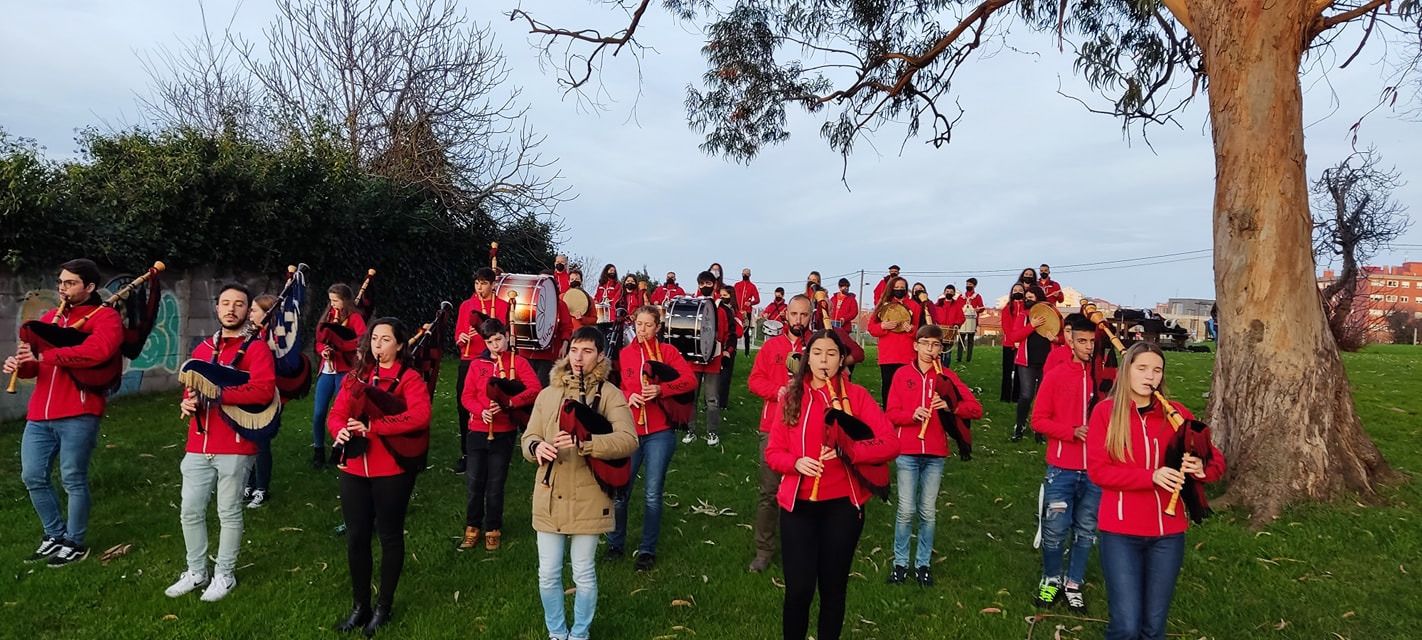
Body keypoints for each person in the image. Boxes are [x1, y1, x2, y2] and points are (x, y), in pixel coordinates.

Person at [766, 329, 899, 640]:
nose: (823, 360)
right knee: (798, 590)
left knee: (833, 587)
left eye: (830, 354)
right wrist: (795, 463)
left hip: (843, 505)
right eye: (817, 353)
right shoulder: (792, 397)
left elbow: (891, 443)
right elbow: (773, 452)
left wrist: (850, 451)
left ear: (842, 360)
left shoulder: (858, 397)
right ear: (807, 358)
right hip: (799, 504)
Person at [1087, 342, 1225, 640]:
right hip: (1121, 533)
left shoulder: (1176, 413)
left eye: (1157, 370)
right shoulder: (1105, 413)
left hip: (1168, 535)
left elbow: (1214, 458)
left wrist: (1201, 468)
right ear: (1127, 371)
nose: (1150, 376)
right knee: (1125, 626)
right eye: (1142, 369)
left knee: (1153, 628)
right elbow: (1098, 471)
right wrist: (1151, 476)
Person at [5, 258, 123, 567]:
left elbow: (97, 352)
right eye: (60, 282)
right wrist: (22, 365)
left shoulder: (105, 317)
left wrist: (46, 355)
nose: (62, 288)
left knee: (73, 478)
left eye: (70, 283)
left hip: (79, 411)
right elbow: (37, 366)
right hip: (40, 414)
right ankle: (53, 534)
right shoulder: (49, 318)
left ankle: (75, 541)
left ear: (90, 287)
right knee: (32, 475)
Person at [523, 327, 639, 640]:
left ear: (600, 355)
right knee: (547, 574)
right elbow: (529, 437)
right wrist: (538, 448)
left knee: (583, 572)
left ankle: (580, 633)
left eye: (587, 351)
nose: (579, 357)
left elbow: (629, 440)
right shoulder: (548, 394)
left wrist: (585, 443)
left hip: (590, 495)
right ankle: (557, 632)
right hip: (549, 494)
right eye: (575, 349)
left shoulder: (610, 394)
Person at [167, 283, 276, 602]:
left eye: (239, 304)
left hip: (236, 444)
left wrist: (219, 394)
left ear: (247, 310)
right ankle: (196, 570)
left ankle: (224, 575)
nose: (231, 309)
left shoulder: (256, 349)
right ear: (217, 308)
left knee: (228, 512)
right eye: (225, 303)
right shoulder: (203, 349)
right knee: (189, 510)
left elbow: (263, 391)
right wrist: (187, 403)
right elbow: (191, 388)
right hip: (198, 443)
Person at [328, 317, 432, 635]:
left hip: (392, 468)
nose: (378, 345)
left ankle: (383, 607)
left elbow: (420, 415)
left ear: (400, 344)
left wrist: (374, 428)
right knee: (357, 537)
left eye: (385, 339)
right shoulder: (357, 375)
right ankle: (361, 606)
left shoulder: (410, 378)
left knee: (389, 535)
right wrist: (341, 430)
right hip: (354, 468)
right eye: (374, 339)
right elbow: (336, 413)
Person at [883, 325, 981, 586]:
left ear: (941, 348)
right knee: (905, 510)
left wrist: (951, 406)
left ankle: (923, 564)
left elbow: (975, 409)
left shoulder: (946, 376)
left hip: (936, 453)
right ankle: (900, 563)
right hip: (907, 451)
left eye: (936, 345)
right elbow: (890, 413)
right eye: (925, 344)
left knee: (928, 511)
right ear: (915, 345)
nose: (930, 349)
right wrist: (910, 415)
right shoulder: (903, 375)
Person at [610, 306, 698, 570]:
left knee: (651, 493)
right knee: (619, 492)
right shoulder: (626, 354)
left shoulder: (668, 353)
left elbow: (690, 381)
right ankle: (615, 543)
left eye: (648, 325)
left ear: (658, 327)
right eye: (639, 324)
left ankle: (647, 550)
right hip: (631, 431)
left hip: (659, 432)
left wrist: (662, 389)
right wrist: (629, 397)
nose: (642, 330)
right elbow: (621, 387)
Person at [1030, 314, 1103, 612]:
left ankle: (1074, 582)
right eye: (1082, 341)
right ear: (1070, 340)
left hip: (1096, 470)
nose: (1087, 347)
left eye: (1091, 342)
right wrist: (1071, 432)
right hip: (1062, 469)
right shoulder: (1057, 375)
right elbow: (1038, 420)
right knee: (1055, 529)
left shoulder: (1103, 379)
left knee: (1086, 529)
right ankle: (1050, 579)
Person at [459, 318, 542, 552]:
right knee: (475, 482)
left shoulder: (519, 362)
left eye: (498, 339)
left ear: (506, 336)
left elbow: (535, 390)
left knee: (495, 483)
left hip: (504, 432)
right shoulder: (477, 365)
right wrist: (481, 411)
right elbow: (467, 397)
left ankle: (493, 527)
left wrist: (510, 403)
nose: (495, 345)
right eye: (490, 341)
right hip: (477, 431)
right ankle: (472, 525)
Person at [745, 294, 813, 572]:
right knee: (770, 492)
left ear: (811, 316)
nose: (798, 320)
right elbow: (754, 381)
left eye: (804, 315)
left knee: (804, 493)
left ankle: (801, 549)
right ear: (786, 314)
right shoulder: (772, 346)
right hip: (772, 427)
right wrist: (777, 392)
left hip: (807, 428)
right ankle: (764, 550)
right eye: (794, 314)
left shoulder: (817, 347)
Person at [453, 268, 511, 473]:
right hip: (469, 359)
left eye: (484, 283)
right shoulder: (466, 306)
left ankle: (496, 447)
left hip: (492, 360)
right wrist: (461, 338)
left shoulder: (503, 306)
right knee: (464, 404)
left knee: (494, 403)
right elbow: (458, 332)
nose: (479, 287)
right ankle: (467, 453)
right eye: (477, 283)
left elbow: (506, 336)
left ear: (493, 285)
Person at [311, 283, 366, 469]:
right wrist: (323, 350)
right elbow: (319, 340)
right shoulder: (328, 316)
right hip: (327, 369)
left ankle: (339, 448)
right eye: (331, 300)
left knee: (341, 412)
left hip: (344, 369)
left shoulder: (355, 317)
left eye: (336, 300)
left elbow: (361, 340)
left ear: (345, 300)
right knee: (319, 413)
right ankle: (318, 450)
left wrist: (341, 345)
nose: (332, 304)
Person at [682, 271, 733, 447]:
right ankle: (690, 430)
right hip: (693, 360)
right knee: (691, 397)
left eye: (708, 283)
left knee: (712, 399)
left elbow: (730, 332)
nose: (705, 286)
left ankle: (712, 432)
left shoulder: (722, 308)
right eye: (702, 283)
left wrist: (728, 350)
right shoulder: (691, 304)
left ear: (715, 285)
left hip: (713, 359)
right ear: (698, 285)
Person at [243, 294, 281, 509]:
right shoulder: (249, 333)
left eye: (254, 310)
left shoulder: (274, 338)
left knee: (261, 443)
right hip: (247, 391)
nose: (250, 314)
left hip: (266, 396)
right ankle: (249, 483)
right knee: (248, 440)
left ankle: (261, 488)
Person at [1006, 286, 1056, 442]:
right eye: (1026, 297)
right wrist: (1031, 325)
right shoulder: (1023, 316)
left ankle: (1040, 430)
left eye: (1031, 297)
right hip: (1027, 362)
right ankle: (1019, 426)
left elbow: (1060, 335)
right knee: (1026, 395)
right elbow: (1014, 336)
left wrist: (1055, 339)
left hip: (1047, 362)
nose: (1027, 300)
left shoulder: (1050, 314)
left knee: (1042, 397)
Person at [868, 276, 917, 405]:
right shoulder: (883, 305)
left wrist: (912, 329)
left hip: (907, 354)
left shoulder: (914, 306)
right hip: (888, 355)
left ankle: (907, 411)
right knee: (888, 386)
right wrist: (882, 326)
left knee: (907, 386)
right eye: (896, 288)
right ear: (891, 289)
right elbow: (871, 328)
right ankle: (888, 414)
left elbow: (921, 331)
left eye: (902, 288)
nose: (899, 290)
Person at [525, 269, 576, 387]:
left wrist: (564, 345)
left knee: (542, 386)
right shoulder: (528, 300)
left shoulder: (561, 304)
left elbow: (567, 327)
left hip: (548, 354)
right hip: (527, 353)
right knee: (526, 386)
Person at [999, 282, 1027, 405]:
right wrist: (1013, 340)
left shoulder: (1027, 308)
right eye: (1015, 289)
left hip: (1022, 343)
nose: (1017, 292)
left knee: (1019, 372)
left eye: (1020, 290)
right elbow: (1006, 326)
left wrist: (1020, 340)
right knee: (1007, 371)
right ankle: (1005, 396)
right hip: (1009, 343)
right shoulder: (1007, 308)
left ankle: (1016, 397)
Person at [935, 285, 967, 367]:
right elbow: (933, 315)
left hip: (950, 333)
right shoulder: (938, 305)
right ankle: (939, 369)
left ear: (954, 294)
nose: (949, 293)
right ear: (944, 292)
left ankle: (946, 370)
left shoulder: (957, 305)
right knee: (938, 352)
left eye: (951, 292)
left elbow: (962, 317)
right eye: (947, 291)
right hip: (939, 331)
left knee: (948, 354)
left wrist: (957, 324)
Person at [958, 278, 986, 363]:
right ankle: (959, 358)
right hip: (962, 320)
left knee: (970, 340)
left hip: (972, 320)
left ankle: (968, 359)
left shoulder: (977, 296)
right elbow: (957, 307)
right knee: (961, 340)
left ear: (974, 285)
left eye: (970, 284)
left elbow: (982, 307)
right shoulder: (961, 296)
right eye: (967, 284)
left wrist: (978, 310)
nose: (968, 286)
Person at [735, 268, 761, 355]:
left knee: (746, 333)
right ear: (741, 274)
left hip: (747, 312)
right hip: (737, 311)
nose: (745, 275)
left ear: (750, 275)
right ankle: (733, 349)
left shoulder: (752, 286)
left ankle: (747, 352)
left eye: (747, 273)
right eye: (744, 273)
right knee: (734, 330)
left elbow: (757, 299)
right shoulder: (737, 285)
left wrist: (750, 303)